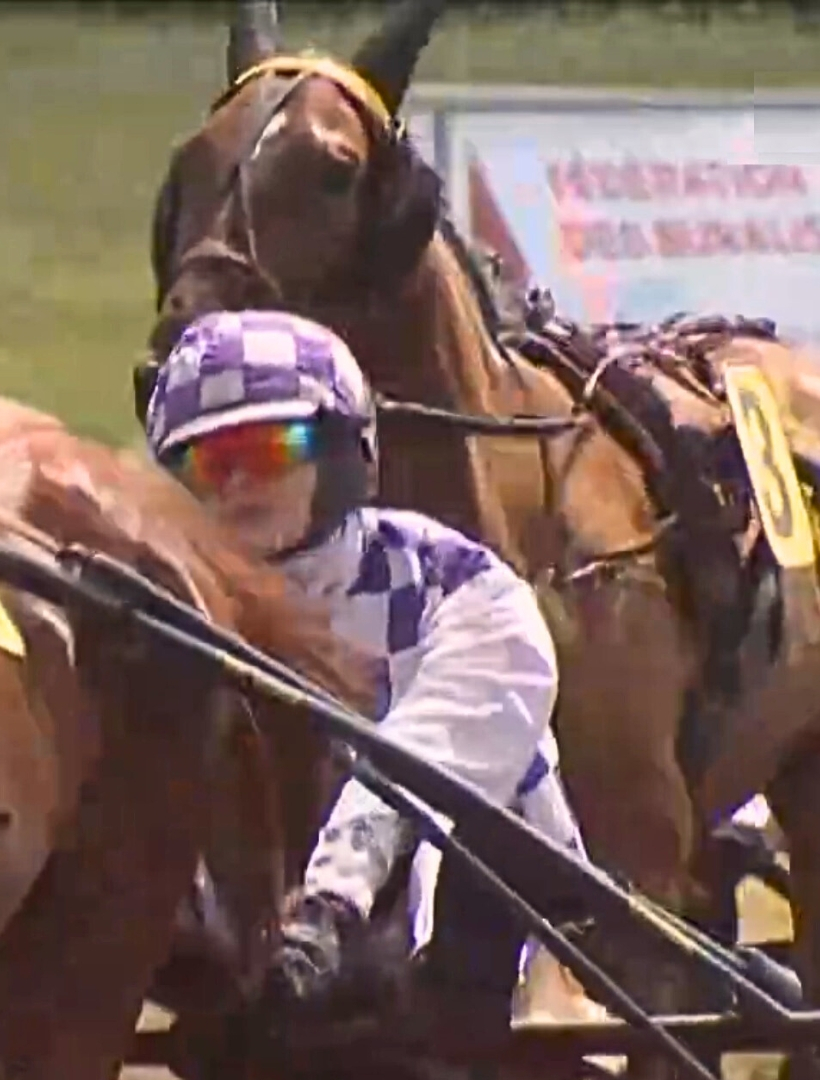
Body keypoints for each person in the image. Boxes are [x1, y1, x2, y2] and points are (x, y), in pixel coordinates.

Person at [137, 309, 590, 1035]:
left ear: (347, 450)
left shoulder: (463, 587)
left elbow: (420, 761)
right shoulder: (162, 615)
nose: (241, 483)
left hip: (476, 950)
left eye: (274, 446)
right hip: (268, 964)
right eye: (209, 462)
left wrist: (330, 902)